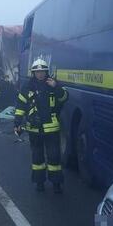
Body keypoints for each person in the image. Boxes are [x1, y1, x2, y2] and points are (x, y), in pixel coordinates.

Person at [14, 58, 68, 193]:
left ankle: (56, 184)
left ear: (46, 72)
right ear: (33, 72)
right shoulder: (27, 87)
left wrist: (56, 87)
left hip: (51, 129)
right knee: (37, 158)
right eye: (37, 71)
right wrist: (17, 122)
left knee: (54, 158)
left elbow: (64, 98)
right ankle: (39, 183)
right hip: (34, 129)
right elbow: (20, 106)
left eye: (42, 71)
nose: (40, 74)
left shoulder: (53, 84)